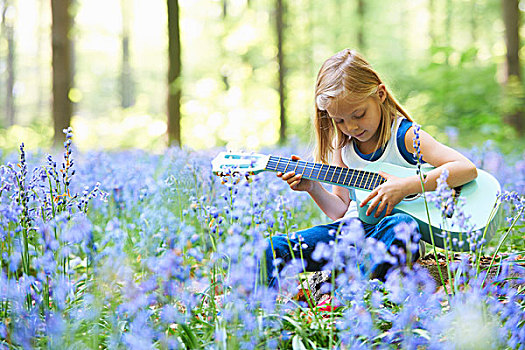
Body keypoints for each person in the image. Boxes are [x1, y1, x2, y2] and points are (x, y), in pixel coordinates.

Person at [265, 49, 478, 289]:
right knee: (271, 248)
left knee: (401, 226)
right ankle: (267, 316)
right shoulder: (343, 147)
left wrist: (405, 186)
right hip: (350, 234)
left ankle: (351, 287)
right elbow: (341, 210)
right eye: (340, 121)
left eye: (359, 114)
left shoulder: (406, 137)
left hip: (392, 235)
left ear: (380, 95)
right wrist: (314, 187)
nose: (351, 127)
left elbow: (465, 168)